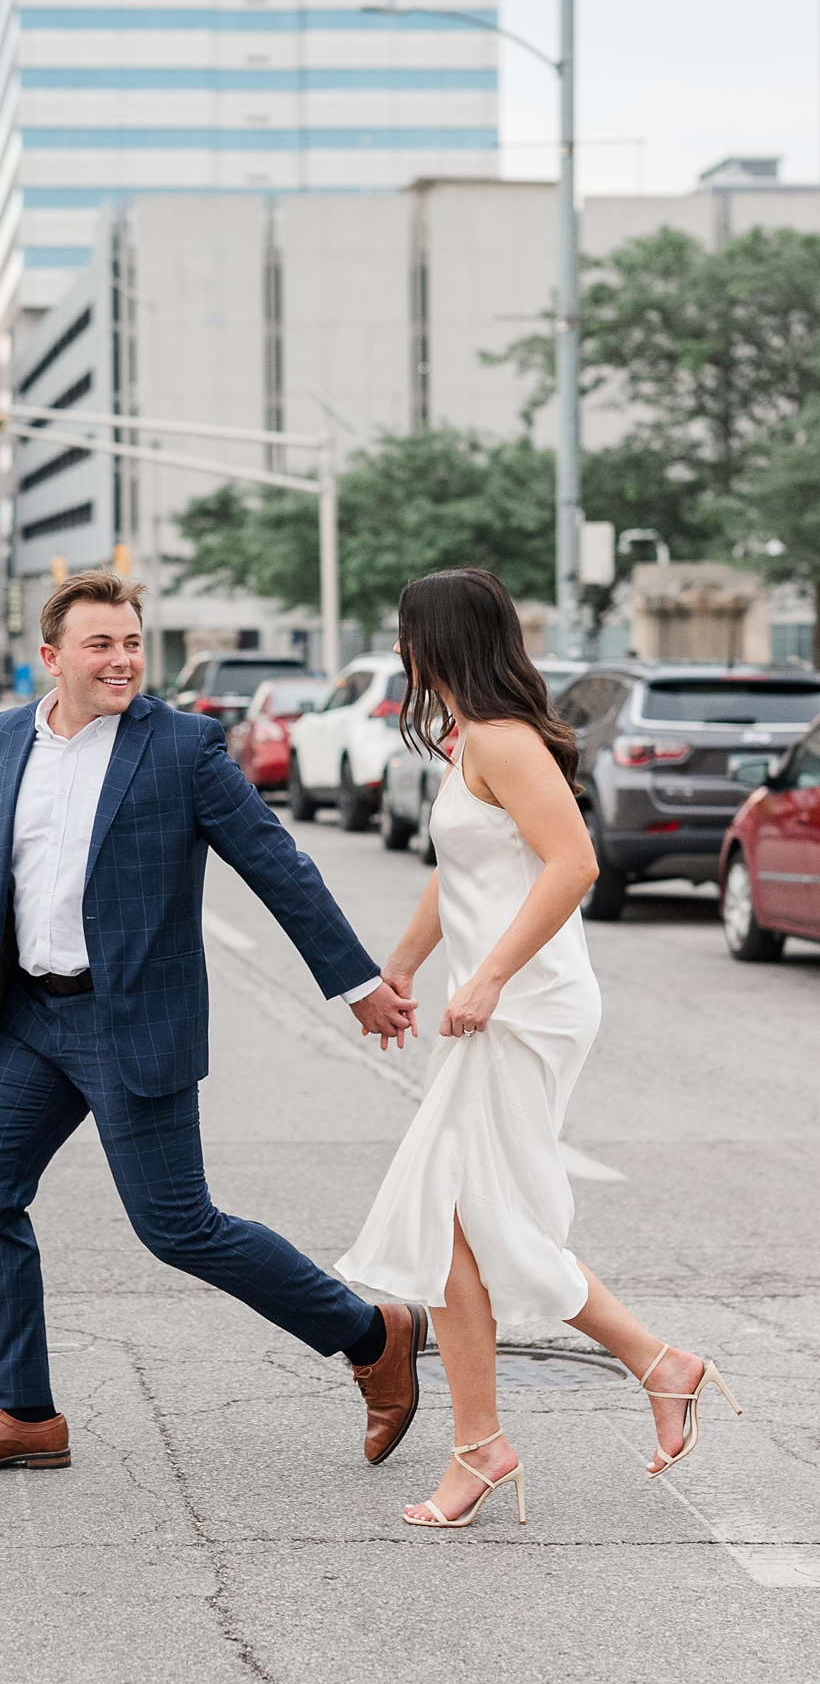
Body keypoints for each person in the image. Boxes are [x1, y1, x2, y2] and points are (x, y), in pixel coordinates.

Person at [0, 569, 428, 1474]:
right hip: (31, 1015)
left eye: (132, 642)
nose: (122, 660)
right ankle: (21, 1409)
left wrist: (356, 983)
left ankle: (369, 1332)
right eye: (100, 644)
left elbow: (278, 864)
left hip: (129, 1020)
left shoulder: (182, 748)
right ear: (52, 657)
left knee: (177, 1225)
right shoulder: (6, 737)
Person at [335, 568, 741, 1530]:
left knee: (474, 1223)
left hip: (531, 1008)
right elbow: (462, 870)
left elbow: (577, 864)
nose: (401, 651)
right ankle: (563, 1405)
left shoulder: (506, 741)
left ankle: (563, 1406)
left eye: (407, 635)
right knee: (456, 1222)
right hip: (503, 1006)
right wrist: (397, 965)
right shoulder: (469, 739)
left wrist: (487, 980)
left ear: (439, 642)